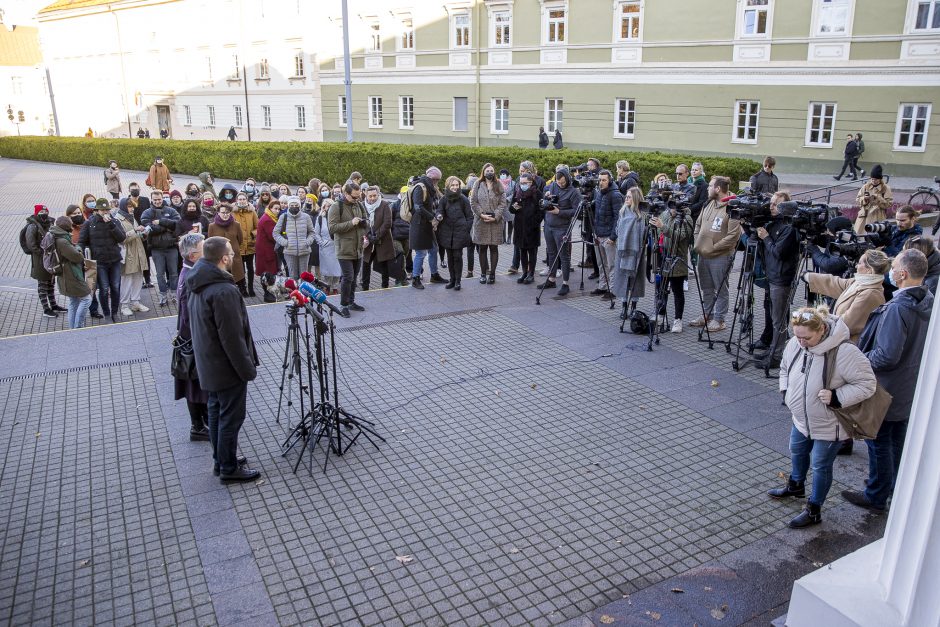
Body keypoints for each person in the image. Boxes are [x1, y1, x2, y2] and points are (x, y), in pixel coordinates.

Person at [843, 249, 934, 513]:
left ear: (902, 274)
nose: (890, 271)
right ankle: (890, 485)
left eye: (894, 266)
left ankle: (876, 494)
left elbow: (886, 355)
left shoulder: (897, 308)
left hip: (887, 386)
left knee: (879, 441)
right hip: (907, 385)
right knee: (895, 439)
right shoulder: (927, 299)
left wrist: (858, 360)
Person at [769, 306, 876, 528]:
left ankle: (814, 509)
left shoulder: (845, 352)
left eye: (806, 337)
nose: (800, 342)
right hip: (801, 420)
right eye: (797, 336)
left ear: (822, 329)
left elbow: (868, 384)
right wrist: (786, 393)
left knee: (820, 466)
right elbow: (784, 368)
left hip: (830, 425)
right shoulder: (795, 342)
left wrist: (837, 396)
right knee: (797, 450)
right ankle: (796, 485)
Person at [186, 236, 260, 482]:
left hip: (209, 364)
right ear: (224, 258)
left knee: (217, 412)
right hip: (226, 367)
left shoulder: (198, 282)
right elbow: (232, 337)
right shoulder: (223, 290)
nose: (234, 256)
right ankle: (229, 468)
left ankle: (222, 460)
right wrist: (246, 369)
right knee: (231, 417)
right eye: (231, 252)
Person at [754, 191, 801, 368]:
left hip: (781, 278)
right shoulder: (773, 223)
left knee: (778, 319)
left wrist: (765, 237)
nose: (771, 207)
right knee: (775, 317)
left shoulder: (789, 228)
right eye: (771, 203)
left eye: (776, 204)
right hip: (772, 276)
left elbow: (778, 253)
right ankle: (772, 348)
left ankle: (778, 355)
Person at [806, 249, 890, 344]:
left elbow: (846, 324)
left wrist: (819, 322)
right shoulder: (861, 282)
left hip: (849, 345)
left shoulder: (870, 294)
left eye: (859, 263)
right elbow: (837, 283)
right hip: (840, 340)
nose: (856, 266)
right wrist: (809, 277)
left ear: (869, 270)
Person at [691, 176, 742, 332]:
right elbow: (698, 224)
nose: (707, 188)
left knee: (720, 288)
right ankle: (708, 314)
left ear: (718, 189)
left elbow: (733, 236)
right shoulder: (709, 203)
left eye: (710, 186)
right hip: (703, 254)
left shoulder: (733, 208)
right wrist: (698, 242)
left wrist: (712, 247)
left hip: (720, 256)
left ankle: (719, 319)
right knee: (706, 288)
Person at [176, 233, 210, 442]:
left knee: (197, 384)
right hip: (193, 341)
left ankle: (203, 420)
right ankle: (198, 426)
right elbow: (189, 315)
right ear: (193, 254)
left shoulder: (192, 271)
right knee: (195, 384)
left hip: (191, 339)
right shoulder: (190, 277)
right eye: (203, 247)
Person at [649, 196, 694, 333]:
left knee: (677, 291)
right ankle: (661, 315)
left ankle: (677, 320)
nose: (672, 209)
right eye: (670, 206)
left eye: (674, 206)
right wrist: (653, 225)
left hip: (678, 259)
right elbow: (657, 232)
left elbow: (679, 236)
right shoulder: (665, 214)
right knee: (661, 289)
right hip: (663, 256)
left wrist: (663, 227)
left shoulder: (687, 219)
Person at [79, 198, 126, 323]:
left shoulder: (114, 221)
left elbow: (122, 238)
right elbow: (82, 242)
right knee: (104, 288)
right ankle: (107, 313)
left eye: (107, 210)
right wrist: (82, 258)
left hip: (114, 259)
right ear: (97, 211)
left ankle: (115, 312)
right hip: (99, 262)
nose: (105, 212)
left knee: (115, 287)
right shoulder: (89, 223)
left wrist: (111, 224)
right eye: (102, 210)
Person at [328, 182, 368, 317]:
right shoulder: (336, 206)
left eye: (359, 196)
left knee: (354, 277)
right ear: (346, 194)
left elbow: (366, 221)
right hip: (344, 249)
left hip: (358, 248)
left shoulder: (359, 204)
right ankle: (344, 305)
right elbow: (332, 228)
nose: (357, 199)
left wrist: (365, 224)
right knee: (348, 276)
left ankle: (351, 302)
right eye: (354, 197)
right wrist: (351, 223)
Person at [539, 167, 580, 296]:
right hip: (549, 225)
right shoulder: (553, 186)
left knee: (564, 255)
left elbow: (577, 211)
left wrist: (560, 212)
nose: (560, 184)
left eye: (563, 182)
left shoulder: (574, 192)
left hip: (562, 227)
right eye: (558, 182)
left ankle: (565, 283)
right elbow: (548, 199)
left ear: (567, 179)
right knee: (551, 253)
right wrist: (547, 198)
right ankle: (551, 279)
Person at [50, 216, 93, 329]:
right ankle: (78, 327)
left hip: (64, 276)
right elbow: (77, 257)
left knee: (73, 302)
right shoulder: (62, 241)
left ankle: (72, 328)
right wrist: (78, 248)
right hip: (71, 275)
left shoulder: (57, 236)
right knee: (86, 299)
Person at [141, 190, 181, 306]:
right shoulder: (147, 213)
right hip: (156, 249)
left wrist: (161, 222)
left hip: (171, 247)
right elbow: (149, 228)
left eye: (159, 199)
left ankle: (174, 294)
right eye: (155, 200)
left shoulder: (171, 210)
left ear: (162, 198)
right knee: (159, 274)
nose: (157, 202)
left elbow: (177, 224)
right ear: (151, 200)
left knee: (174, 273)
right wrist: (167, 227)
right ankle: (163, 295)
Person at [24, 204, 65, 318]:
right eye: (41, 211)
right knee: (43, 284)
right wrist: (43, 254)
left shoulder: (50, 223)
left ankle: (54, 305)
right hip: (39, 260)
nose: (44, 213)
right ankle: (46, 309)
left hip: (50, 258)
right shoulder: (32, 226)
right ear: (37, 213)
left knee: (51, 282)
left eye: (45, 211)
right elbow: (31, 244)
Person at [611, 187, 647, 314]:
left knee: (635, 281)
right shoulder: (623, 211)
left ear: (636, 198)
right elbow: (617, 229)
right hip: (622, 252)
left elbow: (645, 234)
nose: (626, 199)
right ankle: (624, 306)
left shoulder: (642, 215)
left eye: (629, 197)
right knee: (622, 280)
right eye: (626, 196)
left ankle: (634, 308)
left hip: (637, 253)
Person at [410, 167, 446, 289]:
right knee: (420, 253)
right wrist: (432, 218)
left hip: (427, 225)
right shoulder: (420, 187)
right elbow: (418, 207)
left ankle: (434, 275)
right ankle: (415, 279)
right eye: (437, 180)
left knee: (434, 249)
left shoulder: (429, 187)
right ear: (432, 178)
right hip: (419, 225)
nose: (437, 182)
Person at [470, 163, 507, 285]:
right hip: (481, 221)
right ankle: (483, 274)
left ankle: (492, 274)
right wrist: (481, 214)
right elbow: (473, 201)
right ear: (483, 172)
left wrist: (496, 216)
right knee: (482, 248)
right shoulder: (478, 184)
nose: (490, 172)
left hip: (495, 222)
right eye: (487, 170)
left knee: (494, 248)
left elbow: (503, 203)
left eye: (491, 170)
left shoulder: (499, 184)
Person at [435, 176, 473, 290]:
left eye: (457, 185)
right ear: (448, 186)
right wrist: (439, 216)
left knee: (457, 256)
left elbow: (470, 217)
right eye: (453, 185)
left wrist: (466, 228)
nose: (455, 187)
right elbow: (439, 211)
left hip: (460, 232)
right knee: (450, 257)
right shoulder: (444, 199)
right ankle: (451, 280)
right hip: (447, 232)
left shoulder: (463, 199)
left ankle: (458, 281)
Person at [114, 198, 150, 317]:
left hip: (138, 251)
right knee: (127, 279)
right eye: (129, 206)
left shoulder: (131, 217)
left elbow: (136, 235)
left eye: (132, 206)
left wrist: (143, 233)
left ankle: (135, 302)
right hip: (127, 253)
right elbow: (121, 238)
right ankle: (124, 305)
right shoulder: (117, 219)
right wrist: (135, 230)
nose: (132, 209)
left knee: (138, 277)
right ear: (124, 206)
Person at [591, 169, 623, 296]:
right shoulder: (599, 193)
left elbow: (618, 217)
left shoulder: (615, 195)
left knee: (612, 265)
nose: (601, 182)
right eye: (599, 180)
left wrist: (613, 236)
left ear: (610, 181)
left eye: (604, 180)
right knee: (601, 264)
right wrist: (595, 232)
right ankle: (603, 286)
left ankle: (613, 289)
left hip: (609, 236)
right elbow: (596, 215)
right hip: (599, 235)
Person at [361, 186, 398, 290]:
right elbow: (362, 223)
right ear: (366, 195)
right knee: (366, 264)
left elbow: (387, 223)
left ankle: (385, 286)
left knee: (383, 264)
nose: (372, 198)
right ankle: (365, 287)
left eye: (374, 196)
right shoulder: (362, 206)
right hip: (368, 240)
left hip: (382, 239)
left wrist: (376, 235)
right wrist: (368, 235)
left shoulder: (385, 205)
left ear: (378, 195)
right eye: (370, 196)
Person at [510, 172, 544, 285]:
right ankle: (524, 272)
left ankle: (531, 274)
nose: (523, 185)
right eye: (521, 183)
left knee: (532, 252)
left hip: (532, 227)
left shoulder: (537, 193)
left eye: (525, 183)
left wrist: (535, 222)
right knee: (522, 250)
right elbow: (511, 208)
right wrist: (514, 207)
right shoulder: (517, 192)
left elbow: (541, 210)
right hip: (520, 226)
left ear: (531, 182)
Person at [274, 196, 315, 281]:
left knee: (303, 276)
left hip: (304, 251)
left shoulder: (306, 217)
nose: (294, 207)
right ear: (288, 206)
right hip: (289, 251)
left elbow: (312, 232)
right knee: (293, 276)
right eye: (291, 205)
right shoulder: (283, 217)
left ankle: (303, 293)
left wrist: (307, 242)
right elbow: (275, 233)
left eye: (296, 205)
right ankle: (294, 294)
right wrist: (285, 243)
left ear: (300, 206)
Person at [207, 203, 245, 294]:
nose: (225, 215)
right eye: (223, 212)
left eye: (227, 212)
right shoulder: (212, 226)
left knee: (238, 276)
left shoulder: (236, 224)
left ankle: (241, 291)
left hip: (234, 256)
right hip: (219, 258)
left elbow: (240, 239)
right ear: (218, 213)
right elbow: (210, 242)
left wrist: (233, 248)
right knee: (223, 278)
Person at [233, 192, 259, 296]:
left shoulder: (252, 212)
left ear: (247, 200)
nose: (242, 201)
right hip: (238, 245)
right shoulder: (233, 212)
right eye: (240, 199)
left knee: (250, 268)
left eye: (244, 199)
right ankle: (242, 288)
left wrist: (253, 234)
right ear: (237, 200)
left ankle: (251, 287)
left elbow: (258, 227)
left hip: (250, 244)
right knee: (240, 269)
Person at [853, 165, 892, 233]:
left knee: (875, 236)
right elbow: (858, 199)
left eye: (876, 179)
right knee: (860, 236)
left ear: (880, 179)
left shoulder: (885, 188)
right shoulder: (865, 187)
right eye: (872, 179)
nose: (873, 181)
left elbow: (889, 204)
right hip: (864, 215)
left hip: (878, 215)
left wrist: (879, 198)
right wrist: (864, 198)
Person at [313, 199, 341, 294]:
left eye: (330, 206)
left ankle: (335, 286)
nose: (328, 208)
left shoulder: (338, 218)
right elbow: (316, 233)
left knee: (337, 268)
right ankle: (327, 286)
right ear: (323, 207)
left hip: (336, 246)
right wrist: (321, 243)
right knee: (327, 269)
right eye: (326, 206)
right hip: (325, 247)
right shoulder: (320, 218)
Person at [255, 199, 281, 302]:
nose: (277, 211)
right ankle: (268, 294)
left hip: (265, 250)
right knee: (268, 273)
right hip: (266, 250)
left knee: (265, 272)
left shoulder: (269, 217)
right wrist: (283, 235)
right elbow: (273, 236)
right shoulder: (268, 220)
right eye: (275, 208)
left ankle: (268, 294)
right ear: (270, 208)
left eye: (279, 209)